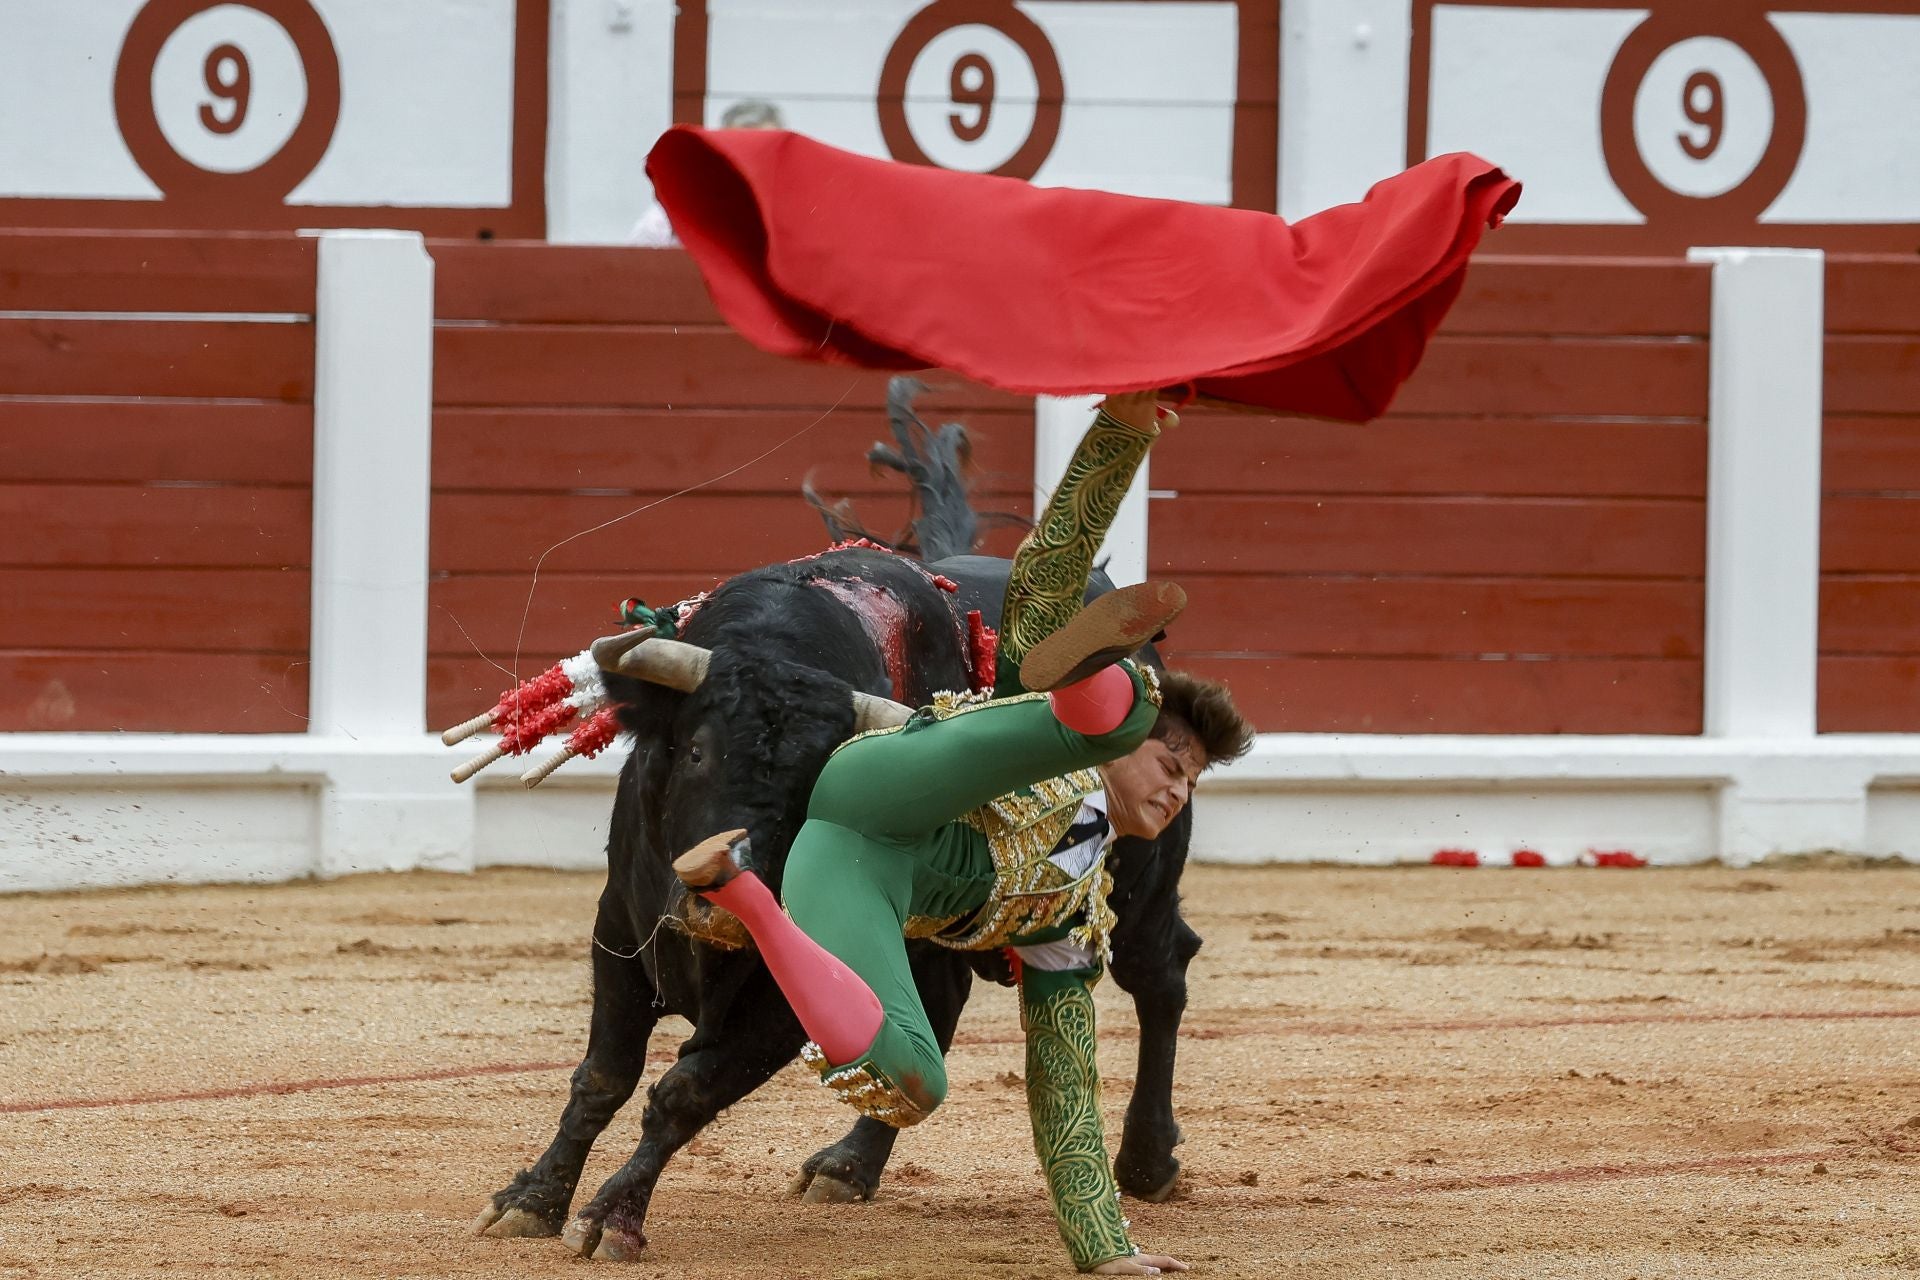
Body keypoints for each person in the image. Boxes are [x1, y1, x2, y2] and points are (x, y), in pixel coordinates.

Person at [673, 391, 1254, 1274]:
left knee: (909, 1084)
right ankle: (1107, 689)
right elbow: (1050, 567)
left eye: (1190, 785)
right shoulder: (1056, 736)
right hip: (901, 784)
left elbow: (1064, 1093)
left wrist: (1103, 1251)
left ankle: (741, 895)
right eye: (1172, 766)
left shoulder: (1071, 926)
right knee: (1074, 702)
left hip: (852, 875)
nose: (1177, 794)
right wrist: (1124, 429)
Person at [630, 100, 786, 247]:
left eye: (764, 148)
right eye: (741, 146)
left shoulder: (801, 213)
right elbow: (634, 268)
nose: (751, 159)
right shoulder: (666, 220)